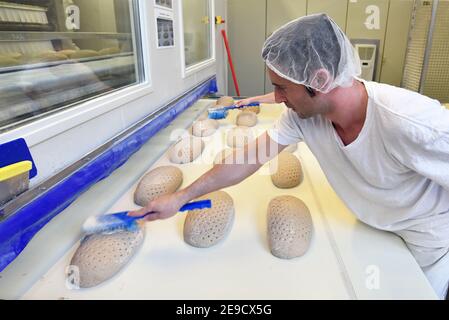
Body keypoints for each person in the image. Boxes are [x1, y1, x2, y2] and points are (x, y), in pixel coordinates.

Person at [130, 13, 449, 300]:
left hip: (428, 244)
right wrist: (181, 197)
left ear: (320, 80)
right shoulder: (304, 116)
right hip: (375, 229)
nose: (277, 99)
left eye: (281, 88)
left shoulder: (410, 122)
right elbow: (249, 158)